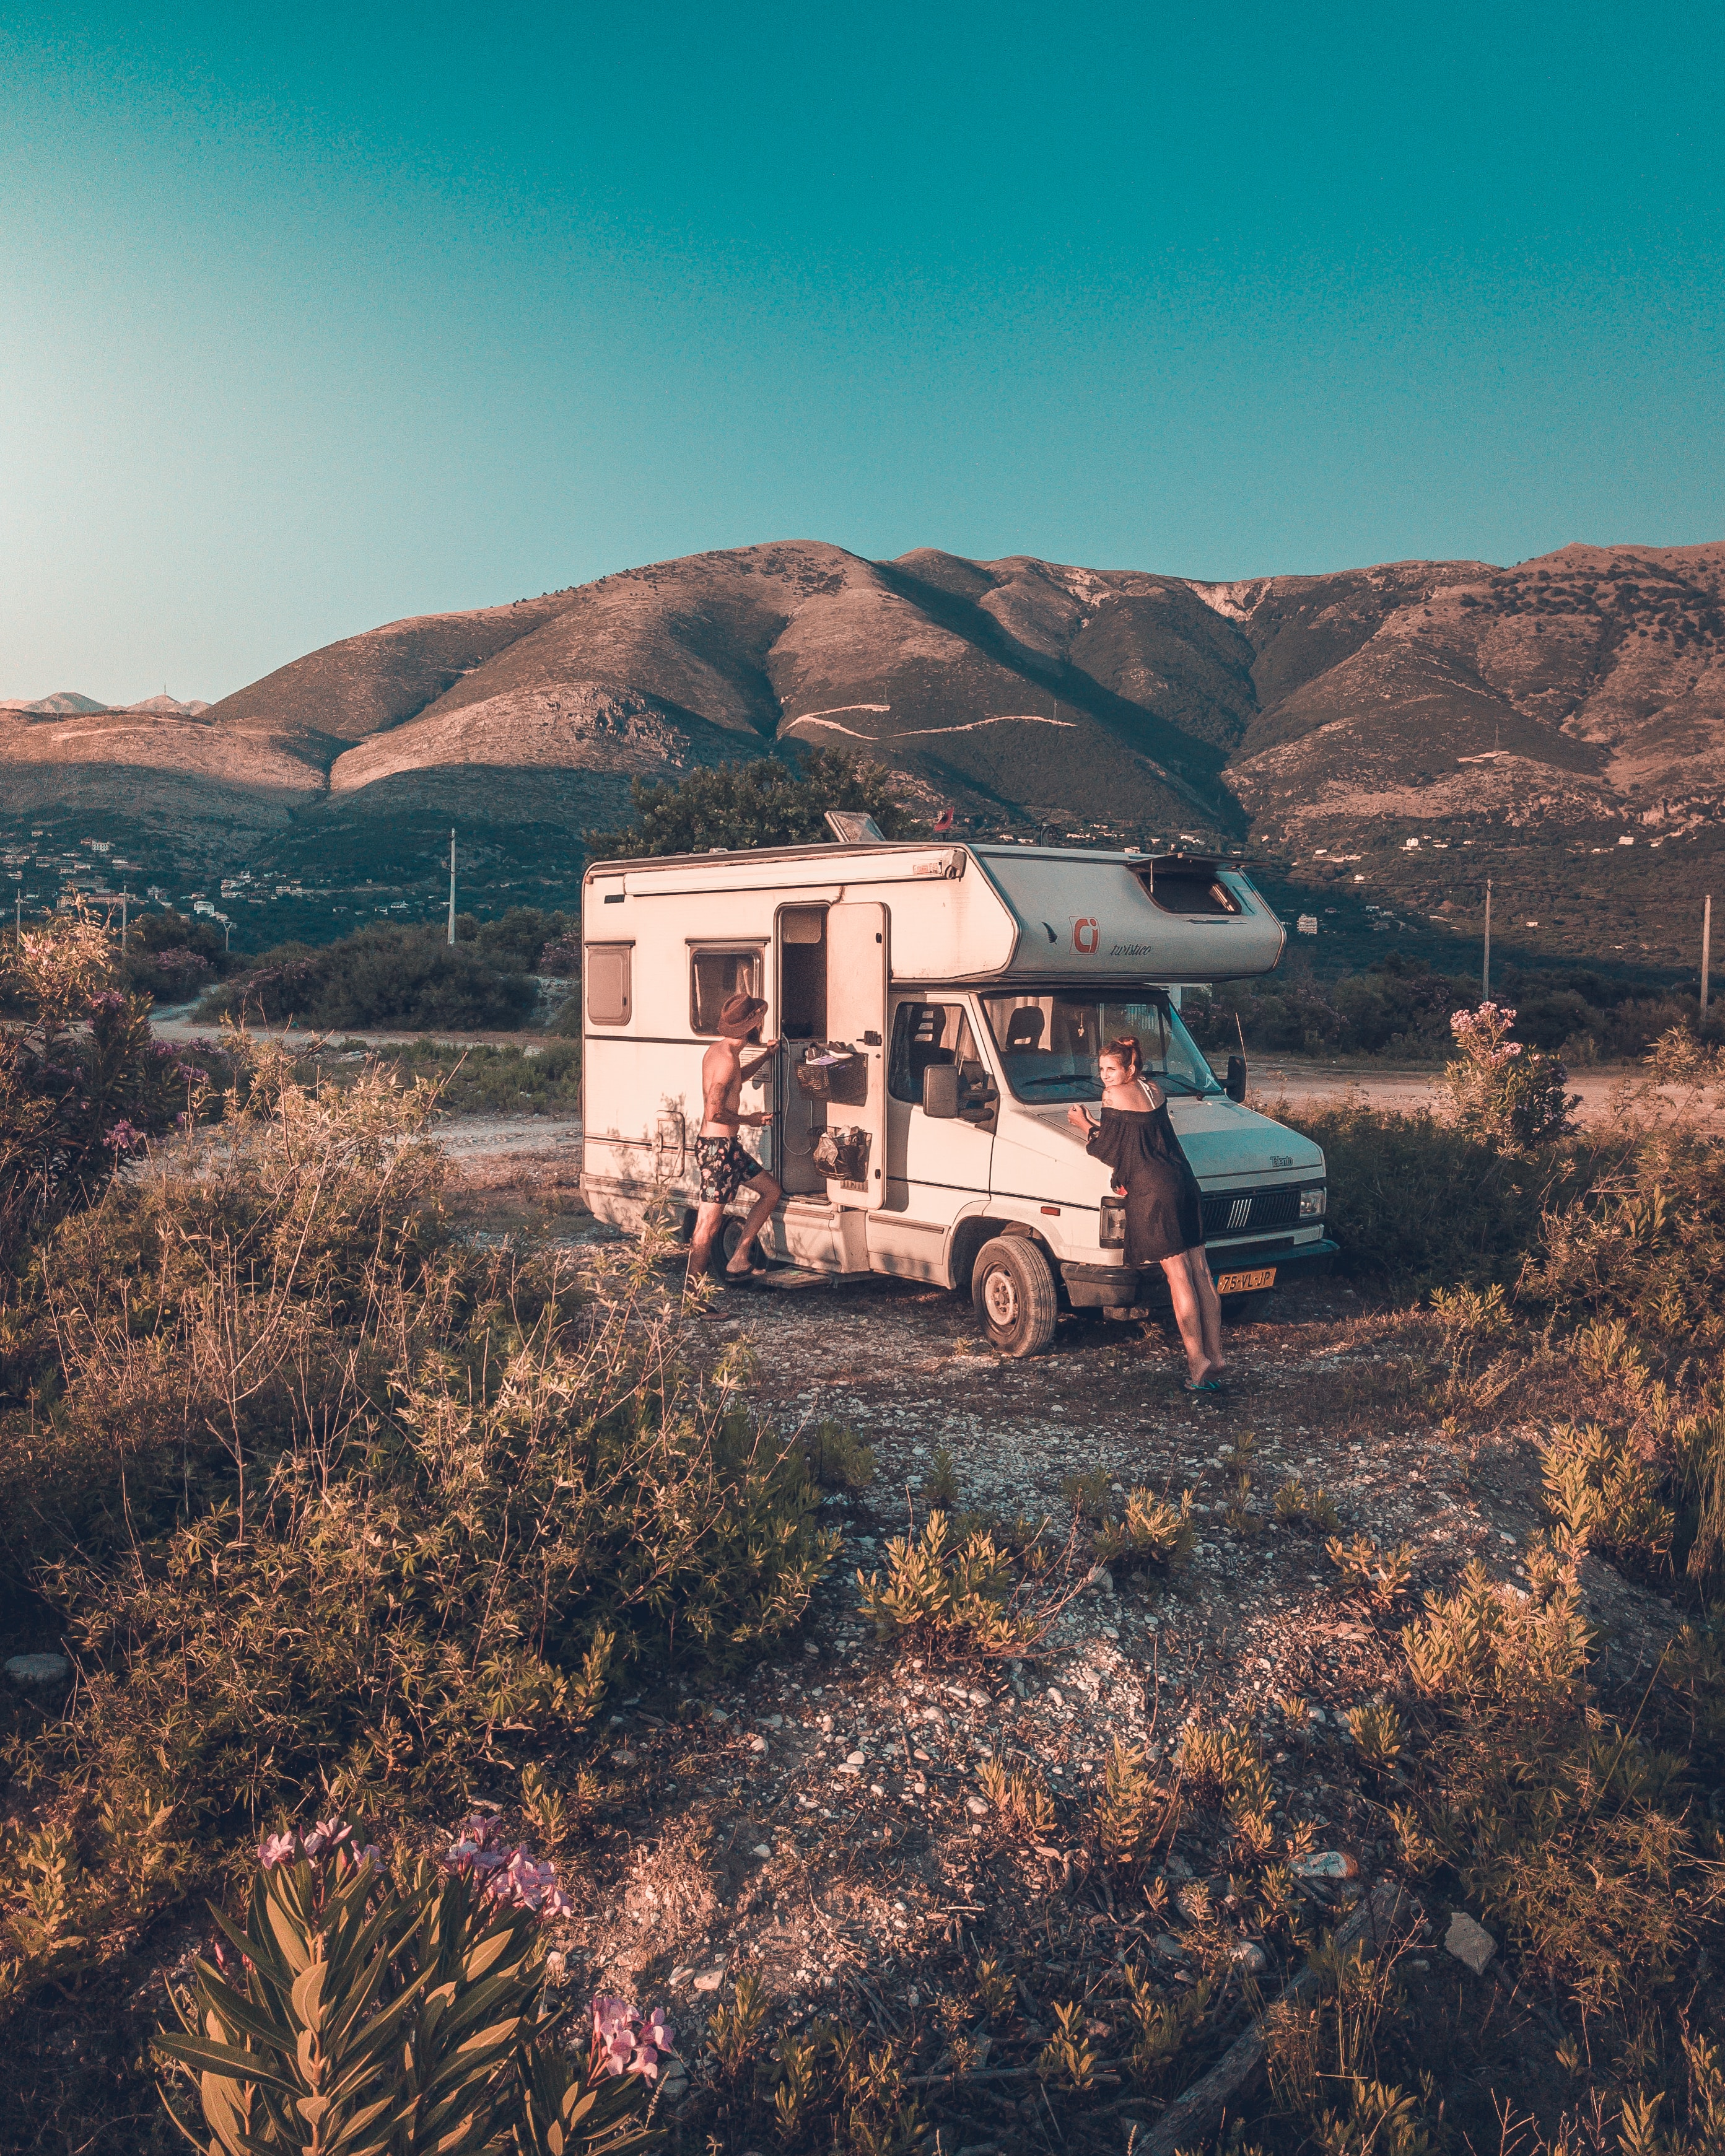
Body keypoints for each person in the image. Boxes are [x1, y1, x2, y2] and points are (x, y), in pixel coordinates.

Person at [1067, 1034, 1224, 1390]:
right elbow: (1136, 1136)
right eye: (1102, 1070)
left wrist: (1083, 1124)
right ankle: (1217, 1355)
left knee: (1179, 1275)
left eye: (1111, 1069)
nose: (1105, 1077)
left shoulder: (1113, 1096)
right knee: (1202, 1270)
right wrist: (1099, 1126)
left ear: (1130, 1068)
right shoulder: (1154, 1090)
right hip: (1183, 1180)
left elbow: (1109, 1150)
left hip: (1153, 1190)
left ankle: (1198, 1361)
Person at [687, 991, 782, 1287]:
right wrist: (749, 1120)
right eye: (760, 1020)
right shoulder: (726, 1061)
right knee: (707, 1227)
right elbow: (714, 1113)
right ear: (752, 1026)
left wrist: (766, 1056)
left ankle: (739, 1257)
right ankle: (694, 1298)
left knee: (771, 1191)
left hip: (729, 1150)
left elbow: (736, 1079)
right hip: (717, 1153)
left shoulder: (721, 1052)